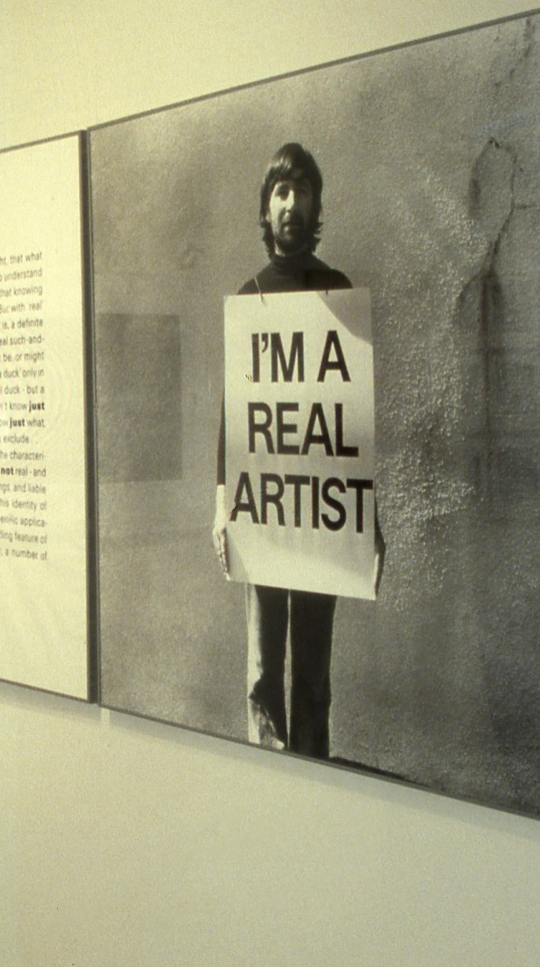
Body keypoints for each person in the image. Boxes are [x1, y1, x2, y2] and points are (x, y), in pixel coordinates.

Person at [212, 143, 380, 758]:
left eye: (302, 191)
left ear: (315, 205)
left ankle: (314, 774)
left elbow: (351, 419)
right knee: (262, 672)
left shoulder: (337, 292)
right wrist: (222, 505)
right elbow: (232, 415)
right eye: (281, 192)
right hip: (264, 509)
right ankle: (267, 776)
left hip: (319, 513)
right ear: (266, 207)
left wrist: (367, 519)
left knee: (313, 675)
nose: (291, 203)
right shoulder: (250, 296)